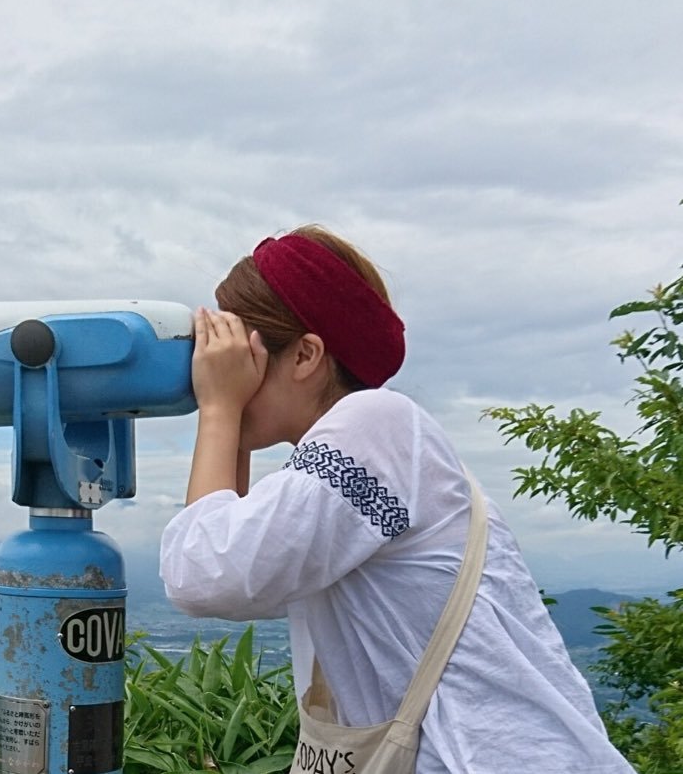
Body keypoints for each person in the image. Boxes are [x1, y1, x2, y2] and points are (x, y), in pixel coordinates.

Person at [159, 225, 635, 773]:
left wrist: (220, 409)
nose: (223, 373)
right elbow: (242, 583)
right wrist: (230, 421)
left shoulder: (375, 423)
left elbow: (203, 576)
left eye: (243, 353)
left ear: (306, 355)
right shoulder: (372, 455)